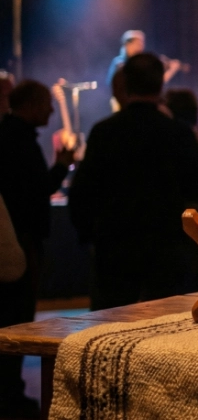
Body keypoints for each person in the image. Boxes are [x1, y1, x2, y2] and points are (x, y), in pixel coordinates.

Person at [69, 53, 198, 310]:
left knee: (108, 323)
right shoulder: (178, 132)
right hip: (165, 247)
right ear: (161, 83)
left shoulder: (104, 132)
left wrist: (90, 236)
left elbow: (82, 193)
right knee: (166, 322)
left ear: (125, 83)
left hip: (115, 248)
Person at [0, 81, 74, 417]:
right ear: (30, 104)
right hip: (22, 239)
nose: (52, 110)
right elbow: (36, 189)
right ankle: (10, 394)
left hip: (19, 235)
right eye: (47, 103)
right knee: (16, 314)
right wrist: (61, 166)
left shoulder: (12, 135)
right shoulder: (18, 140)